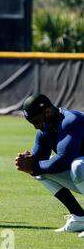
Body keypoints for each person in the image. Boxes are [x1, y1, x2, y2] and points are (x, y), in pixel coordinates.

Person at [15, 94, 84, 238]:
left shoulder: (71, 120)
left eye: (36, 122)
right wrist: (28, 163)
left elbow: (64, 160)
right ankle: (79, 218)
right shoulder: (44, 132)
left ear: (47, 112)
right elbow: (38, 165)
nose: (36, 127)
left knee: (78, 165)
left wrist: (33, 165)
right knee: (41, 172)